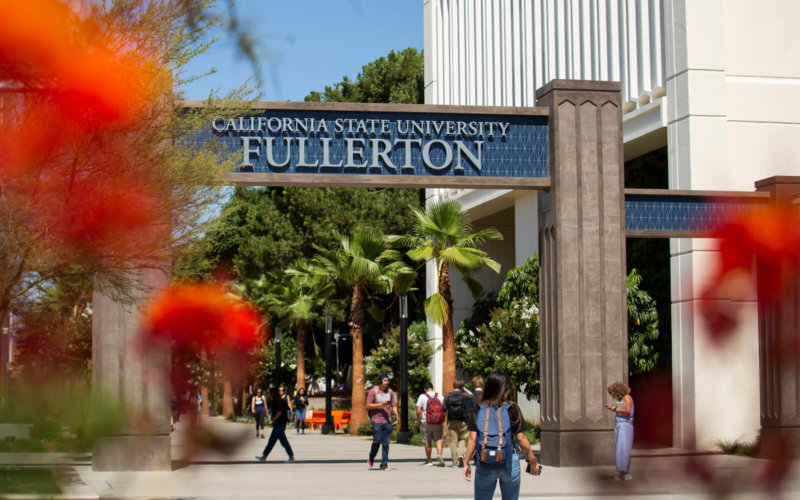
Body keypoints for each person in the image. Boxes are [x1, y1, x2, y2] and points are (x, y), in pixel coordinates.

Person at [463, 372, 540, 500]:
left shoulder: (479, 408)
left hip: (484, 462)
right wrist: (532, 460)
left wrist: (466, 463)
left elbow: (472, 439)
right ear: (504, 389)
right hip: (509, 462)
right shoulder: (512, 408)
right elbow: (521, 439)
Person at [365, 373, 398, 471]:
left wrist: (397, 418)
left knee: (386, 443)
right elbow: (368, 406)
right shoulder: (373, 392)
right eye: (385, 380)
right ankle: (371, 457)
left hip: (387, 421)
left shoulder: (390, 392)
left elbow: (394, 405)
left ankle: (384, 464)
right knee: (377, 441)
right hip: (376, 420)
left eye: (387, 380)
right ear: (380, 381)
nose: (386, 382)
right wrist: (380, 404)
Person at [255, 387, 295, 463]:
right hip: (282, 423)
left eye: (269, 393)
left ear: (272, 394)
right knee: (272, 441)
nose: (269, 395)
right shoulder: (282, 401)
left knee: (283, 441)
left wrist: (273, 419)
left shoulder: (275, 402)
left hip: (278, 423)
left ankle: (291, 456)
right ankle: (264, 456)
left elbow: (279, 412)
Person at [444, 377, 476, 467]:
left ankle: (454, 462)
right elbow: (473, 397)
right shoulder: (464, 395)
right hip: (462, 420)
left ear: (453, 385)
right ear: (461, 386)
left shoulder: (448, 396)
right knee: (462, 438)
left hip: (451, 421)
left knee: (453, 441)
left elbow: (443, 408)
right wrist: (464, 389)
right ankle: (461, 454)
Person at [606, 381, 634, 481]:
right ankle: (624, 473)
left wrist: (614, 408)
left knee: (623, 449)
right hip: (620, 426)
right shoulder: (622, 399)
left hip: (625, 426)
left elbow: (627, 411)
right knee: (621, 450)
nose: (613, 396)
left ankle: (625, 473)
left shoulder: (627, 398)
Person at [416, 381, 446, 467]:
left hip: (426, 421)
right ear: (432, 388)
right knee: (438, 440)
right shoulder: (439, 395)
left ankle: (429, 461)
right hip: (438, 421)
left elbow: (418, 411)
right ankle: (439, 455)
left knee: (428, 441)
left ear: (425, 389)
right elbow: (444, 408)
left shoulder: (422, 396)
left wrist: (420, 421)